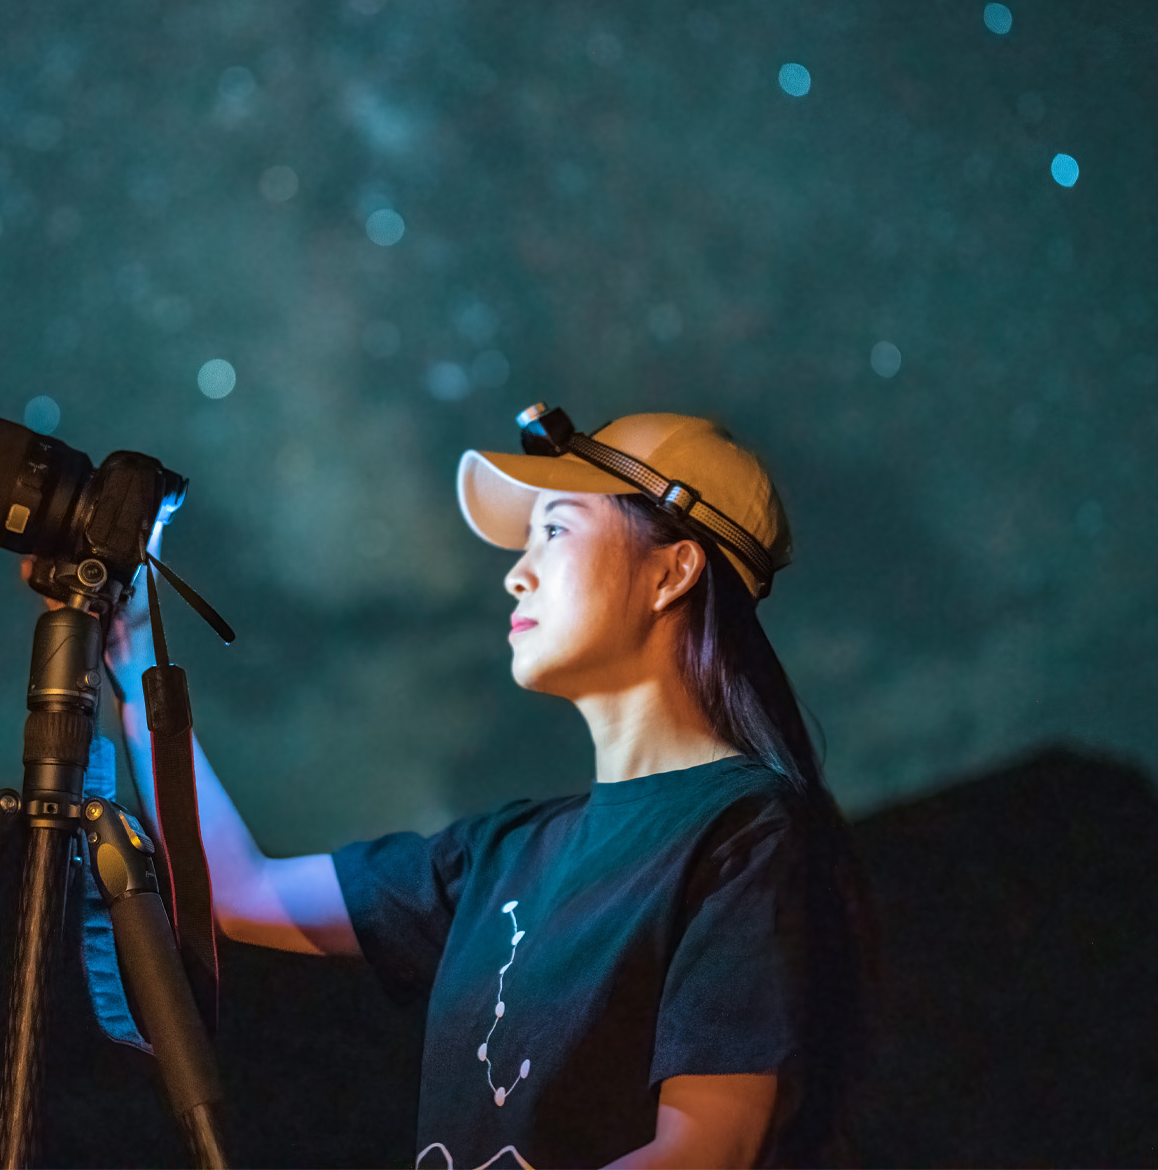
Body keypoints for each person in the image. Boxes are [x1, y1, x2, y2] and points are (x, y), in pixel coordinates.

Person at [44, 408, 872, 1169]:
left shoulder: (745, 835)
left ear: (671, 574)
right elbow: (236, 890)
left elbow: (707, 1152)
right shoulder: (498, 855)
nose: (517, 574)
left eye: (554, 529)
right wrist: (133, 651)